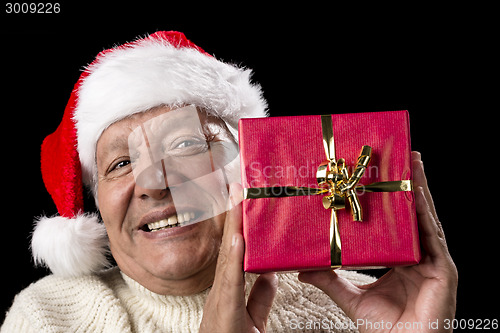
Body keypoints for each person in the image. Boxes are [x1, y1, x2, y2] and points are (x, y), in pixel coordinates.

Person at [1, 31, 457, 332]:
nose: (154, 184)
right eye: (119, 164)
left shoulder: (367, 304)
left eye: (184, 145)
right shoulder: (48, 318)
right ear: (96, 203)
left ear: (249, 165)